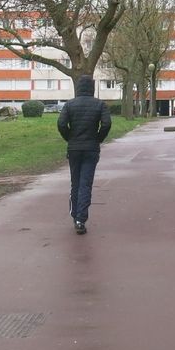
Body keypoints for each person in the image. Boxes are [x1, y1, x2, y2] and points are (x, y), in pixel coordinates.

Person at [57, 75, 112, 235]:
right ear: (92, 88)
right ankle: (81, 219)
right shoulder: (99, 104)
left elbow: (61, 124)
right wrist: (98, 138)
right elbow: (107, 123)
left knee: (75, 182)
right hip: (91, 148)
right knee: (86, 183)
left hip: (74, 148)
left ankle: (76, 216)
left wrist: (69, 138)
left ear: (78, 87)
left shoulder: (69, 104)